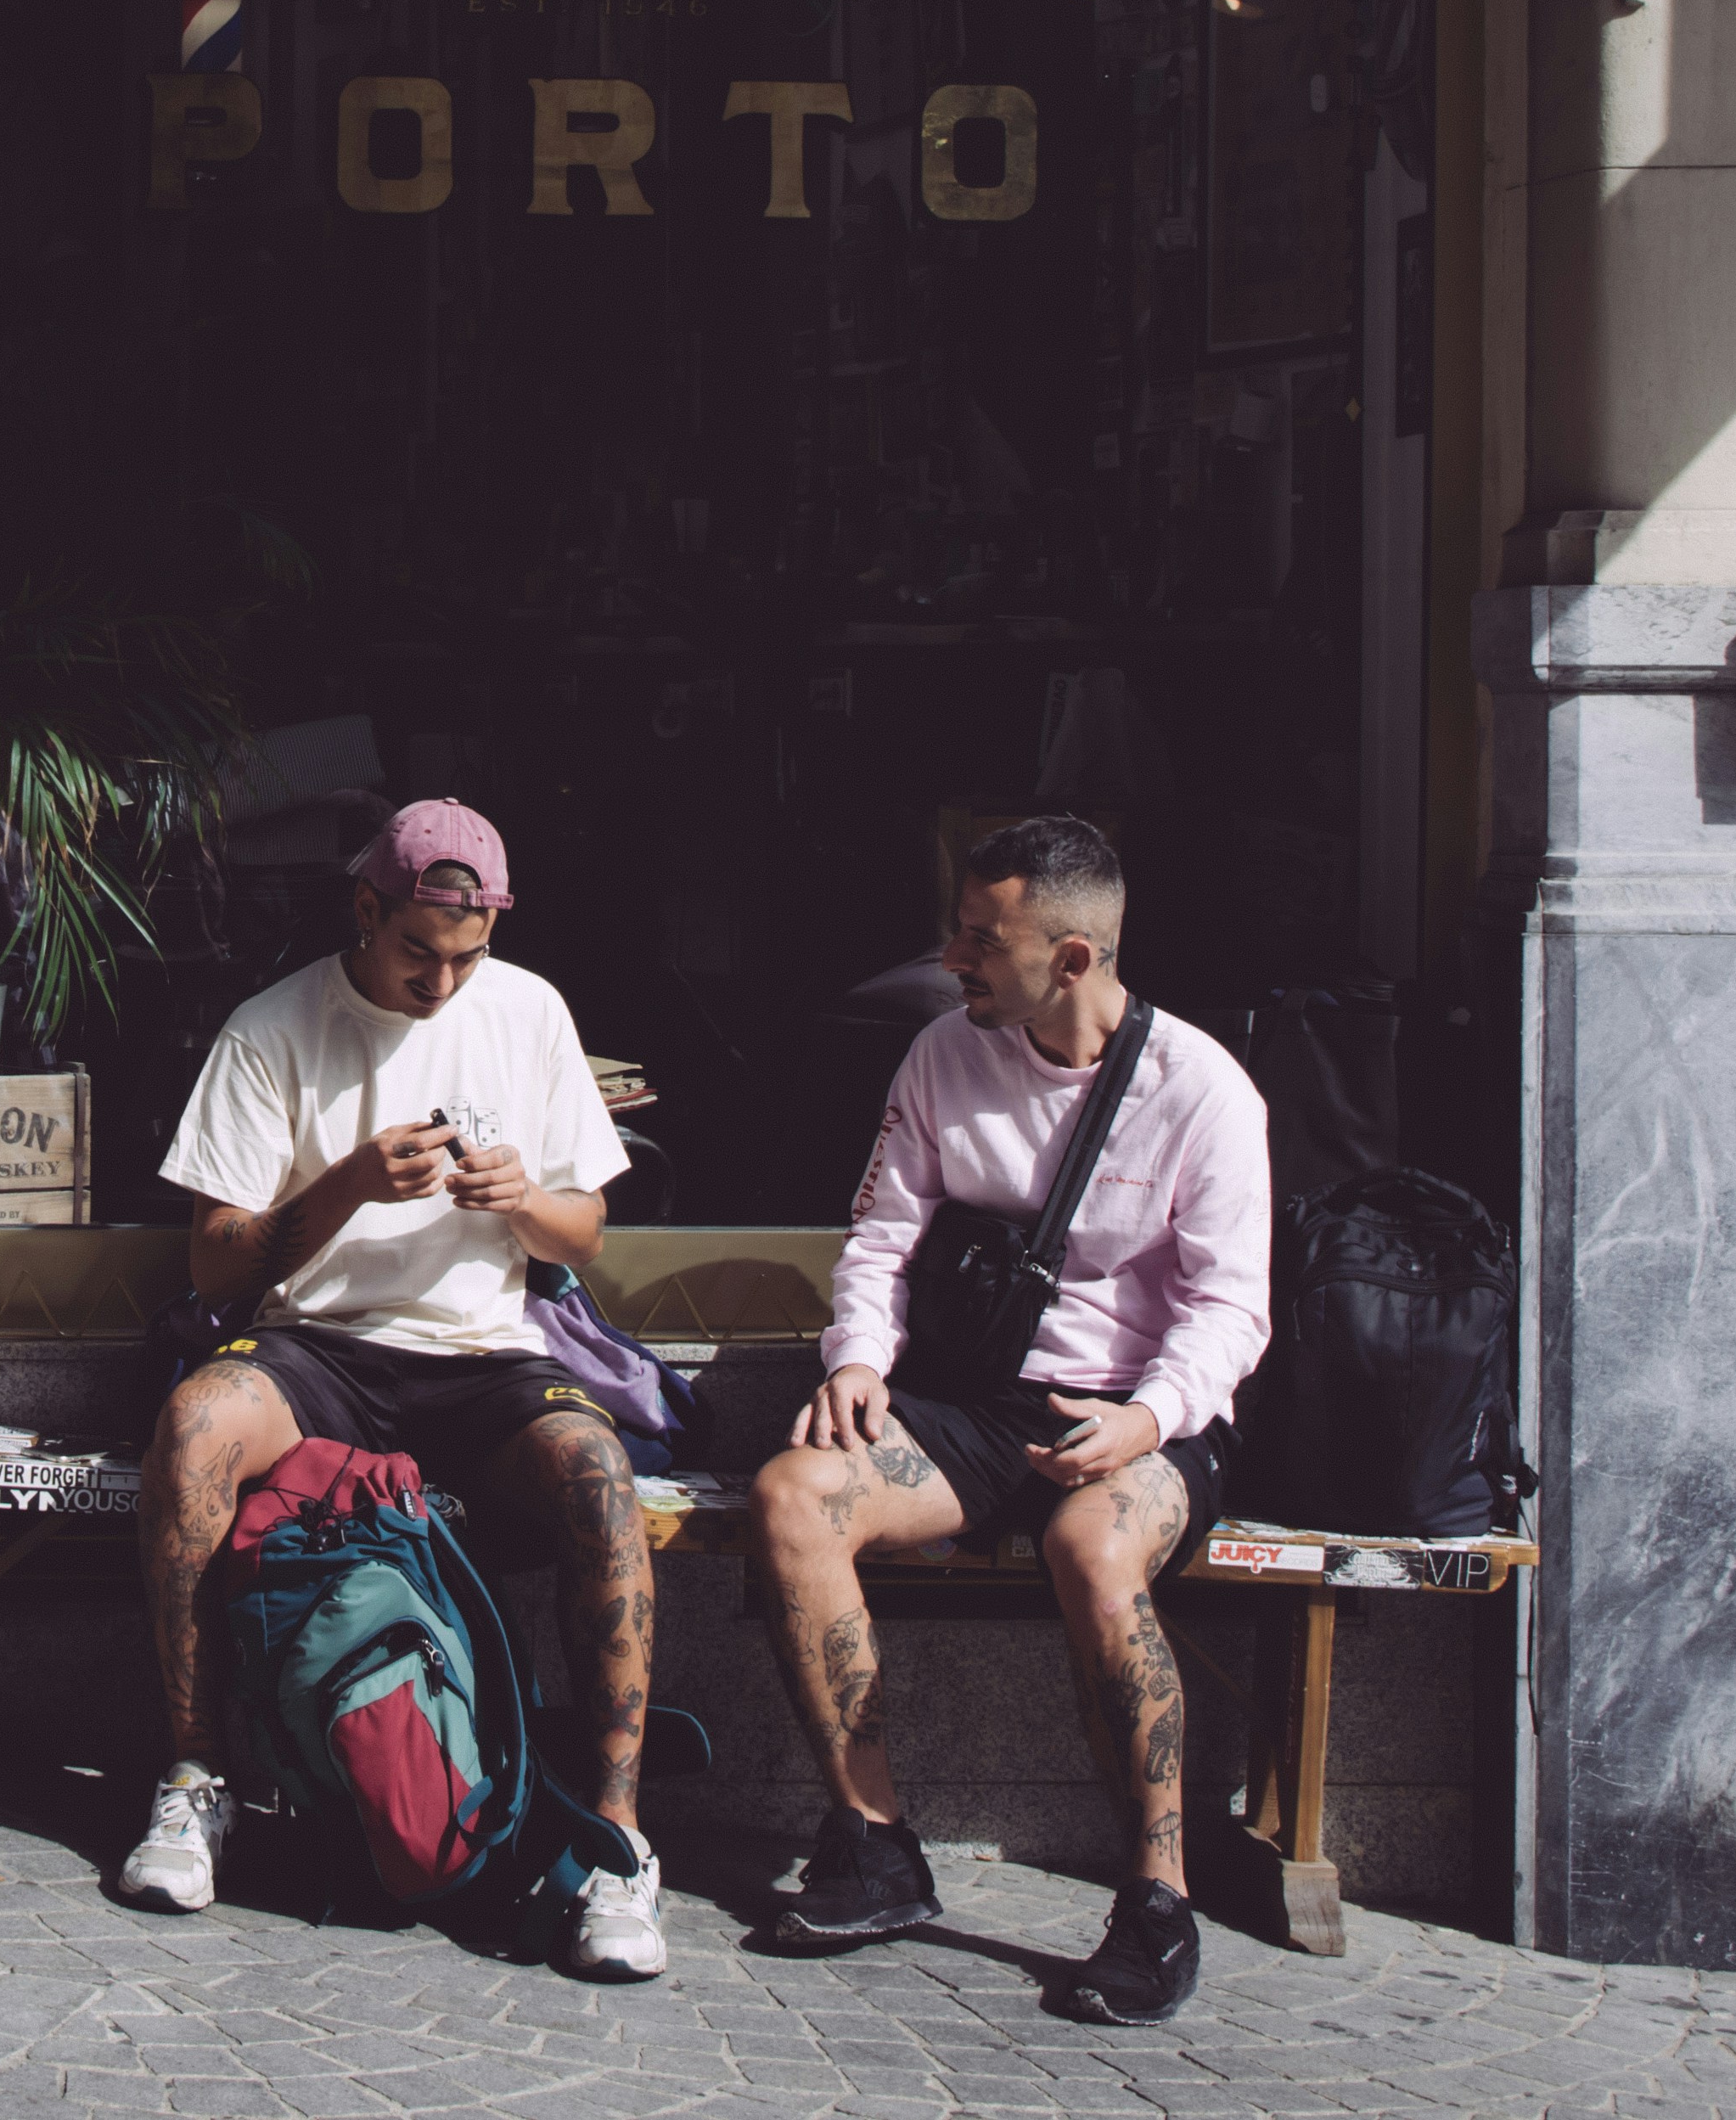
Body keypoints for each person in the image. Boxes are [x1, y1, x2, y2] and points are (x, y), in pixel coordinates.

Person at [124, 799, 669, 1982]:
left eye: (464, 956)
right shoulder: (273, 1026)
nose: (440, 980)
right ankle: (191, 1779)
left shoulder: (526, 1013)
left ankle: (618, 1839)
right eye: (416, 951)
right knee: (193, 1427)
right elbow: (212, 1263)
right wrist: (344, 1187)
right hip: (317, 1348)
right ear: (364, 910)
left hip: (481, 1353)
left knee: (597, 1474)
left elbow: (585, 1233)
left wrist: (521, 1203)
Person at [742, 814, 1269, 2027]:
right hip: (976, 1404)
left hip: (1144, 1416)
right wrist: (859, 1359)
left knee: (1087, 1545)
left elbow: (1230, 1307)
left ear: (1072, 958)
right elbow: (880, 1235)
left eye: (983, 938)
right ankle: (874, 1843)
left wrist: (1143, 1421)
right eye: (959, 928)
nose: (952, 955)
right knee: (791, 1495)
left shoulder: (1200, 1089)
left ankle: (1155, 1901)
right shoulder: (940, 1053)